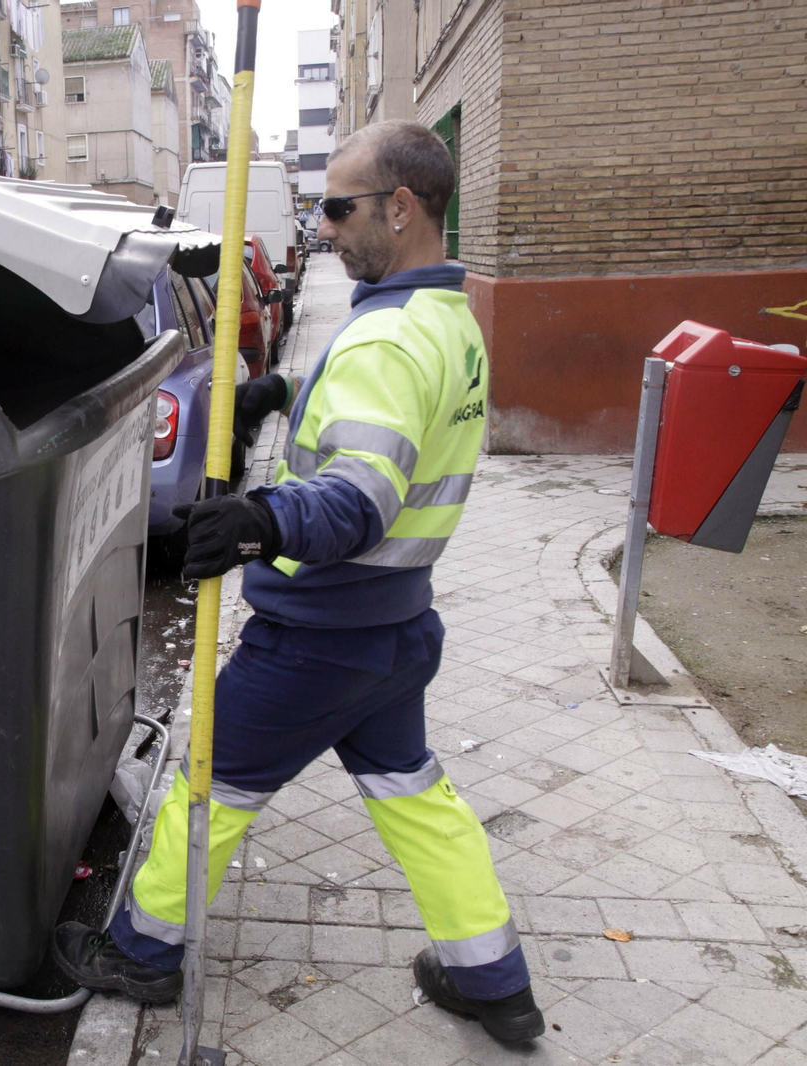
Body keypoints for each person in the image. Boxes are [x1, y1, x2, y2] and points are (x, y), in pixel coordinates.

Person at [53, 120, 545, 1045]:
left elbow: (357, 498)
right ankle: (494, 980)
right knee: (414, 794)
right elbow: (397, 421)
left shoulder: (387, 340)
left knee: (207, 788)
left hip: (318, 639)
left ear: (400, 209)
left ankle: (144, 953)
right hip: (395, 631)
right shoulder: (446, 318)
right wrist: (285, 397)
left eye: (337, 206)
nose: (321, 227)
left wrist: (258, 520)